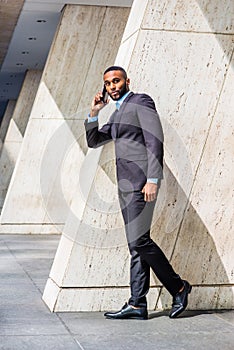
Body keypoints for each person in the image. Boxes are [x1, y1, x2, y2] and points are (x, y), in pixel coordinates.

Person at [84, 66, 192, 319]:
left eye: (116, 81)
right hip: (125, 186)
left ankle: (178, 287)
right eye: (108, 83)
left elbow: (155, 138)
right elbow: (94, 141)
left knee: (140, 241)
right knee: (136, 246)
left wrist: (153, 178)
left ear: (126, 81)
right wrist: (94, 112)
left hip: (142, 184)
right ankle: (137, 303)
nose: (112, 86)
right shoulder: (116, 114)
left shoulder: (140, 101)